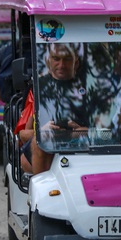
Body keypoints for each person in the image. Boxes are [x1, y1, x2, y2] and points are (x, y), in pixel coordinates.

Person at [33, 42, 87, 174]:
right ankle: (40, 189)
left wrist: (77, 132)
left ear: (76, 62)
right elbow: (22, 135)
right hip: (48, 142)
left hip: (84, 138)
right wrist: (44, 132)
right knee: (36, 142)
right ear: (48, 61)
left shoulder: (91, 86)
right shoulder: (37, 87)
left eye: (67, 59)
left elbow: (107, 132)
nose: (62, 65)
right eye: (56, 59)